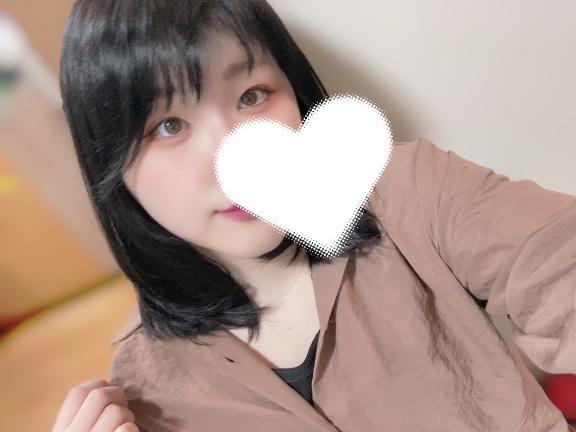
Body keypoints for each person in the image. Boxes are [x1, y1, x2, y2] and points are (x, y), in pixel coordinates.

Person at [53, 0, 576, 431]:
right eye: (168, 126)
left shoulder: (408, 191)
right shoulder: (146, 393)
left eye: (252, 96)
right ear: (111, 165)